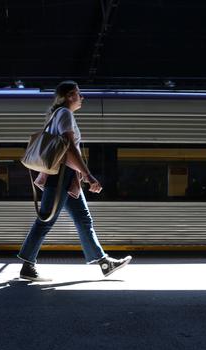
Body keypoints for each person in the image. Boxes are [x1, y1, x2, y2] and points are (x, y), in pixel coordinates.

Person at [17, 80, 132, 281]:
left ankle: (104, 263)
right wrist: (88, 176)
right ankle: (27, 265)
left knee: (83, 219)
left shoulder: (59, 115)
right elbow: (69, 149)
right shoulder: (64, 114)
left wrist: (77, 179)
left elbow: (67, 149)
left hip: (67, 178)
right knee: (45, 220)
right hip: (61, 177)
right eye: (79, 94)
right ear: (70, 95)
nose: (82, 97)